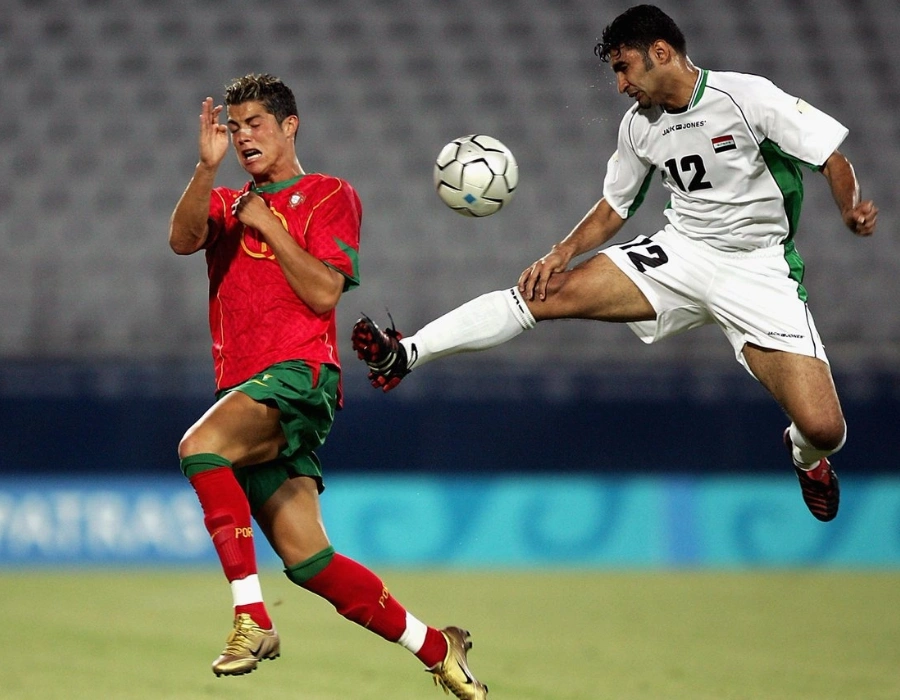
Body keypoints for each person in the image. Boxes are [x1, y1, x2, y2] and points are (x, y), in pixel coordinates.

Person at [352, 5, 878, 523]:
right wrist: (562, 251)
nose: (621, 84)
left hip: (759, 270)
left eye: (624, 67)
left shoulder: (746, 97)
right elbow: (614, 207)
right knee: (545, 292)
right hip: (684, 252)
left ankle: (804, 457)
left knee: (826, 429)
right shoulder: (639, 127)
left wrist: (849, 208)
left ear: (661, 52)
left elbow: (831, 157)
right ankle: (406, 353)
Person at [168, 73, 488, 699]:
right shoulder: (225, 201)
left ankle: (251, 619)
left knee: (199, 448)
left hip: (298, 377)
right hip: (249, 389)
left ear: (290, 126)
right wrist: (205, 172)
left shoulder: (328, 194)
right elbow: (182, 240)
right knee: (311, 563)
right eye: (234, 129)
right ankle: (435, 646)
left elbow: (322, 293)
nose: (243, 138)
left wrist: (268, 225)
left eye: (255, 124)